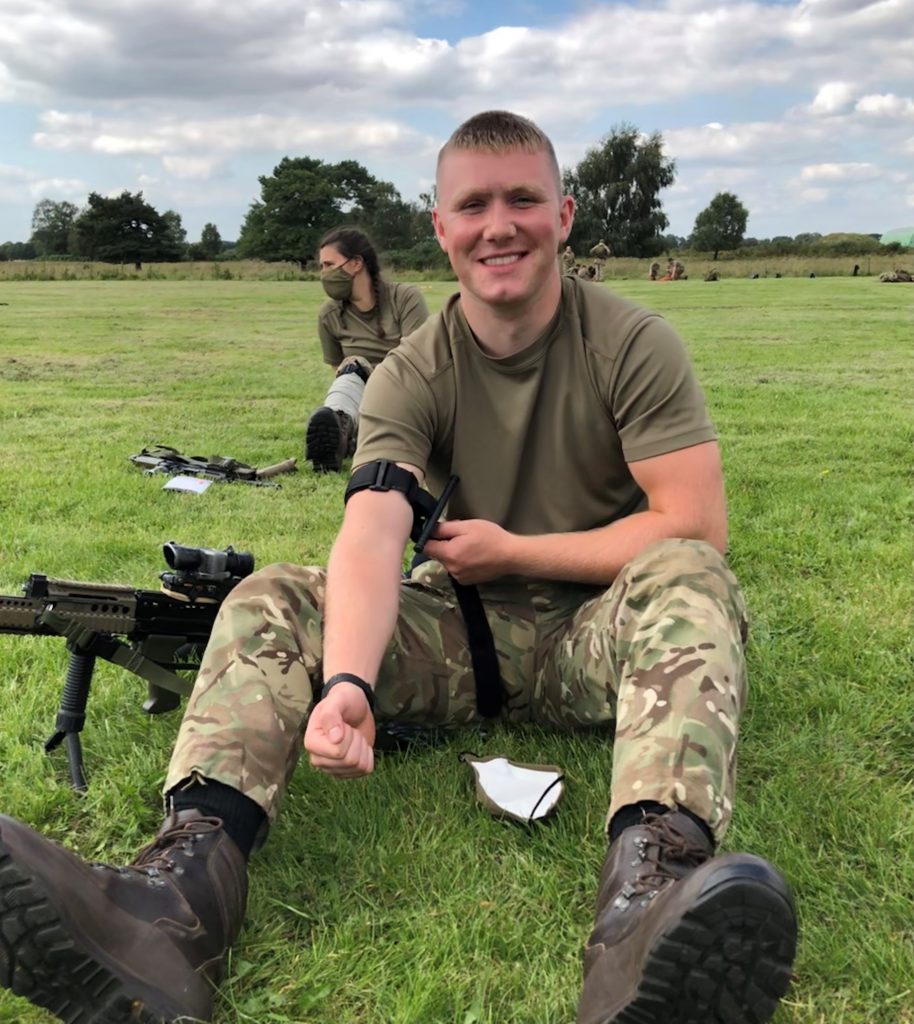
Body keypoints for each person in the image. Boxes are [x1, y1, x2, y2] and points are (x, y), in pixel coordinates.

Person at [0, 110, 798, 1024]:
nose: (500, 224)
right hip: (457, 637)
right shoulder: (410, 373)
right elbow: (376, 527)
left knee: (692, 575)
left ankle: (650, 905)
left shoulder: (632, 343)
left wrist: (513, 549)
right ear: (441, 228)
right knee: (275, 598)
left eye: (523, 199)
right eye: (474, 204)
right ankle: (173, 908)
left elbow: (693, 522)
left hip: (602, 637)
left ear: (565, 216)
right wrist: (345, 680)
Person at [305, 227, 429, 472]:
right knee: (349, 371)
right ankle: (340, 425)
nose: (323, 273)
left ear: (356, 263)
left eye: (329, 265)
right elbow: (337, 372)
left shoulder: (405, 298)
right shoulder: (329, 315)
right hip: (361, 397)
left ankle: (352, 433)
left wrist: (369, 370)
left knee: (356, 366)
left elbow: (419, 362)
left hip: (408, 391)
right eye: (321, 266)